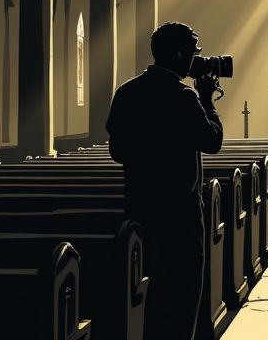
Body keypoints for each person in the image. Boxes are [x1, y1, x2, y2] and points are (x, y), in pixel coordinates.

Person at [106, 21, 224, 340]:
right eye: (192, 54)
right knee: (181, 296)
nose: (194, 60)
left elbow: (117, 151)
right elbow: (212, 141)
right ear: (178, 53)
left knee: (151, 292)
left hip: (140, 208)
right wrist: (208, 101)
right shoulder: (183, 96)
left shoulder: (127, 92)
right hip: (180, 215)